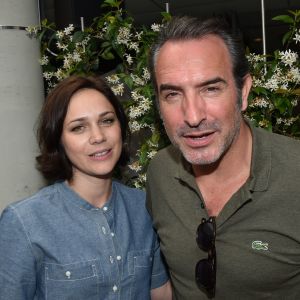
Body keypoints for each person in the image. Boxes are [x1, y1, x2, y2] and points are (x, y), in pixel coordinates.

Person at [146, 15, 300, 299]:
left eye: (211, 88)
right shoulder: (160, 174)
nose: (193, 116)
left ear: (243, 93)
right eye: (172, 94)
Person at [0, 75, 171, 300]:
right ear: (59, 140)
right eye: (79, 127)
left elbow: (161, 293)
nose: (98, 136)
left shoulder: (143, 207)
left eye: (107, 121)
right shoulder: (24, 222)